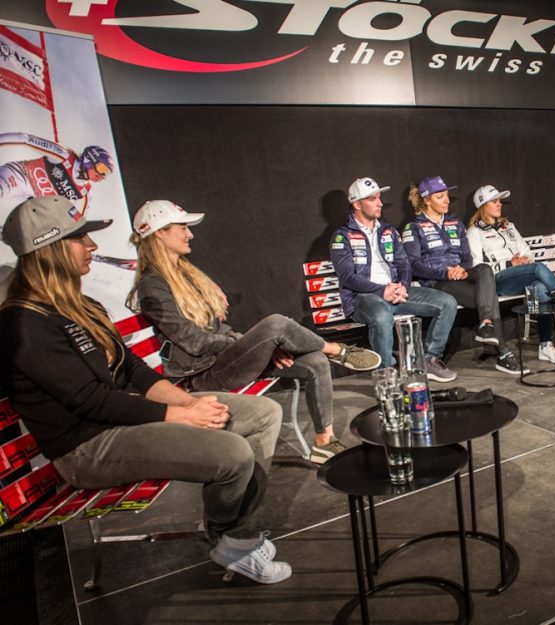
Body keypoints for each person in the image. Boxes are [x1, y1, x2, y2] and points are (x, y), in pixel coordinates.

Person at [0, 196, 291, 584]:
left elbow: (133, 371)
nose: (93, 246)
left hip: (121, 419)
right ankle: (232, 540)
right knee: (234, 453)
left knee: (263, 414)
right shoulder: (22, 322)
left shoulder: (81, 305)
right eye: (80, 238)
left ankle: (235, 537)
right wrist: (184, 415)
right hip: (86, 447)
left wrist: (188, 401)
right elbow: (89, 400)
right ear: (49, 249)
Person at [127, 200, 380, 466]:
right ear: (160, 232)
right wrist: (252, 344)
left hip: (221, 361)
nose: (189, 233)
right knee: (276, 324)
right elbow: (195, 342)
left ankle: (324, 442)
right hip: (203, 375)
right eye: (182, 227)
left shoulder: (184, 276)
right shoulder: (152, 287)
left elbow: (217, 330)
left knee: (314, 362)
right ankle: (336, 350)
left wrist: (260, 348)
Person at [330, 177, 459, 382]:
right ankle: (387, 375)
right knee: (382, 314)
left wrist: (403, 287)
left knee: (447, 302)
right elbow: (347, 277)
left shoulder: (388, 231)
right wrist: (382, 291)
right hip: (363, 297)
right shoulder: (342, 236)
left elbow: (404, 265)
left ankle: (430, 360)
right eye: (372, 199)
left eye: (379, 198)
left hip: (395, 293)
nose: (380, 203)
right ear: (356, 204)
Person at [466, 184, 555, 362]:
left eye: (500, 200)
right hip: (496, 282)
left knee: (540, 288)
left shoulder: (508, 227)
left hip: (521, 276)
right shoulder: (474, 232)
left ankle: (545, 346)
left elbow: (528, 252)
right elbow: (477, 267)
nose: (500, 204)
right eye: (495, 201)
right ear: (483, 205)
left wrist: (523, 260)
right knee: (538, 269)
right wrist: (509, 263)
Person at [403, 175, 526, 375]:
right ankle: (503, 354)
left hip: (460, 275)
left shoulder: (455, 224)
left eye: (447, 196)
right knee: (489, 297)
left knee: (485, 269)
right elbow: (414, 265)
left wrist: (462, 268)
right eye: (440, 197)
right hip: (437, 282)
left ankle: (486, 325)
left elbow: (468, 257)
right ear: (427, 200)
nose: (447, 200)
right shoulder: (413, 228)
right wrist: (446, 272)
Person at [0, 132, 114, 209]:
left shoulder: (84, 193)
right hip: (18, 176)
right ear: (90, 159)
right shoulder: (64, 156)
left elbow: (77, 222)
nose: (102, 176)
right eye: (101, 168)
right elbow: (25, 139)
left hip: (28, 201)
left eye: (107, 174)